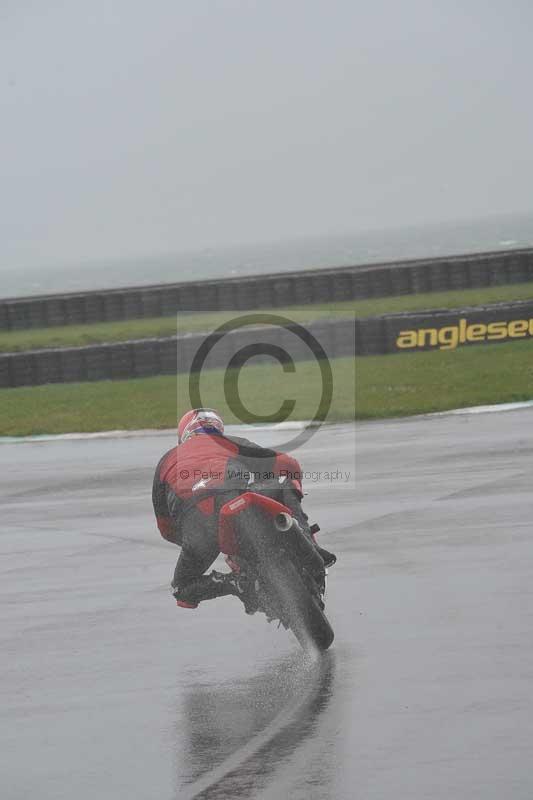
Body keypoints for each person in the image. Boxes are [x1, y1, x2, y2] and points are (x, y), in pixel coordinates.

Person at [152, 408, 336, 611]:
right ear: (218, 428)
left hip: (197, 527)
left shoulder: (166, 461)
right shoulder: (229, 443)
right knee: (283, 481)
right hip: (233, 499)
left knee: (181, 589)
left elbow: (165, 527)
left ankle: (236, 583)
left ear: (183, 434)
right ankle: (308, 542)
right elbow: (288, 464)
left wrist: (196, 541)